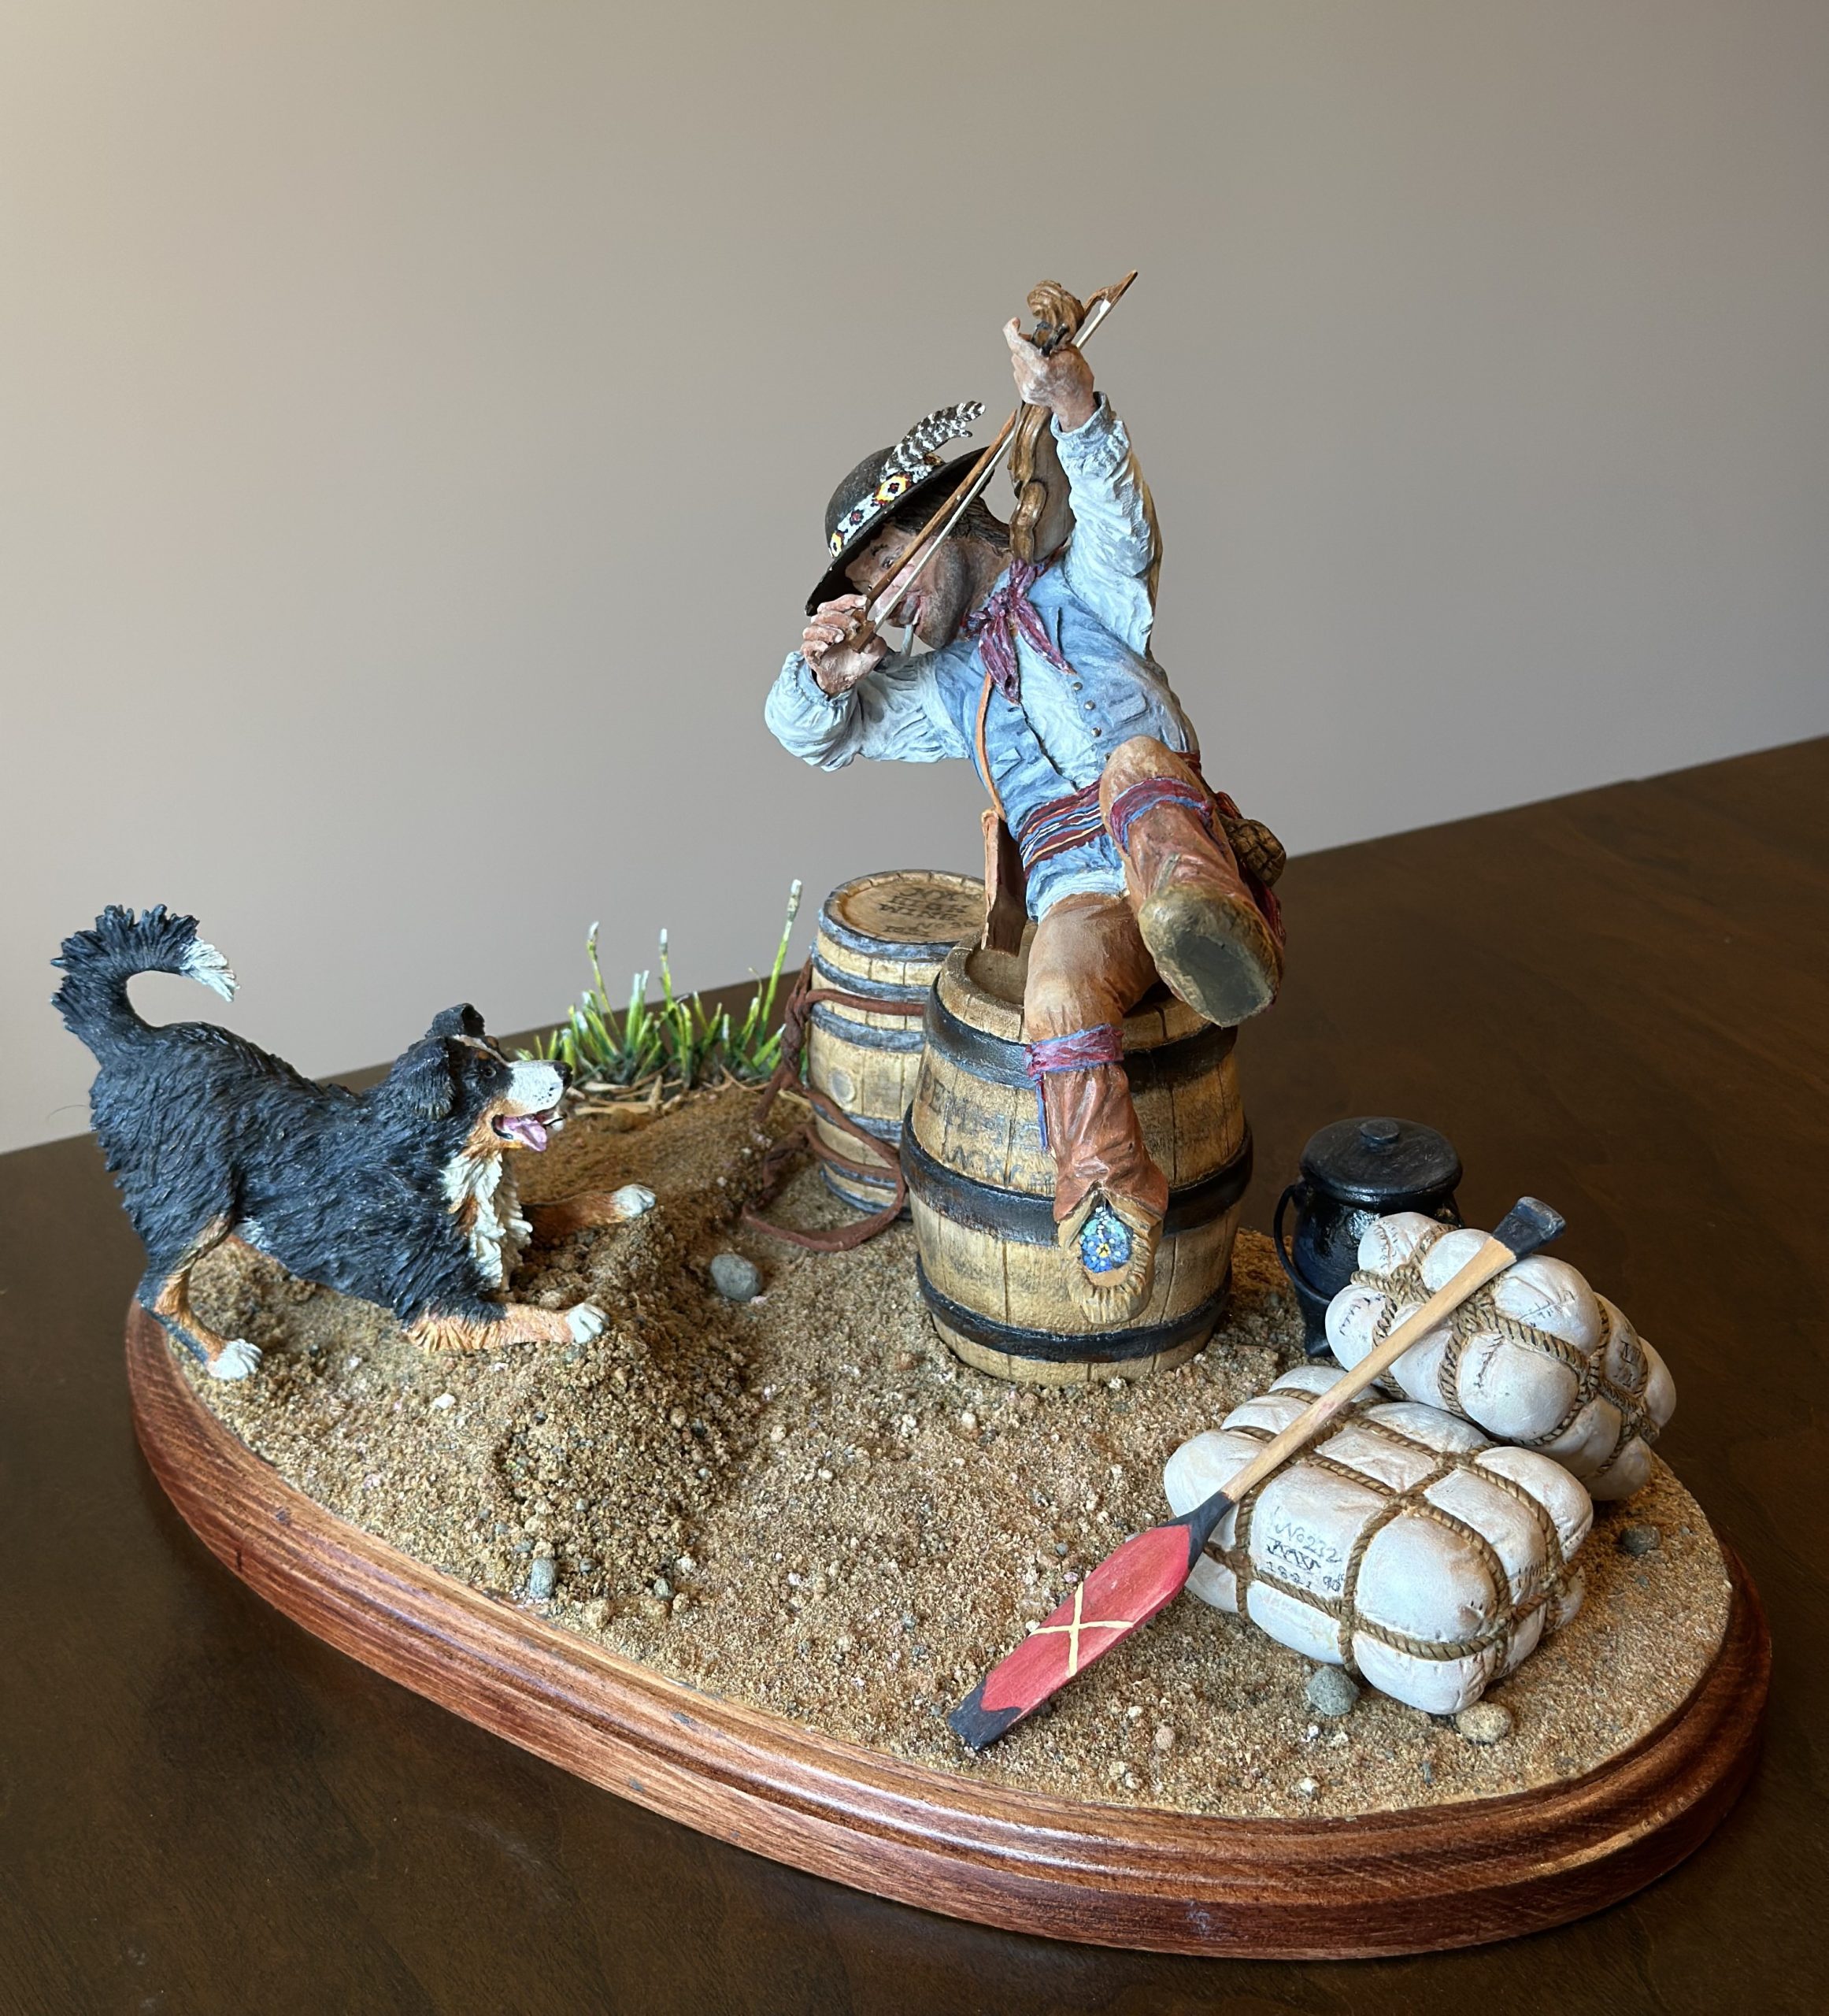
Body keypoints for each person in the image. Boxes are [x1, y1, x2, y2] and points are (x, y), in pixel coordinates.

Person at [764, 315, 1283, 1322]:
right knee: (1054, 986)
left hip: (1157, 821)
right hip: (1079, 885)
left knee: (1134, 765)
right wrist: (823, 675)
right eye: (864, 591)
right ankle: (1103, 1187)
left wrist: (1074, 404)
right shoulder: (936, 686)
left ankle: (1210, 919)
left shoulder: (1087, 585)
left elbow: (1118, 514)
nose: (885, 605)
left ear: (950, 524)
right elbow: (811, 737)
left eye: (889, 568)